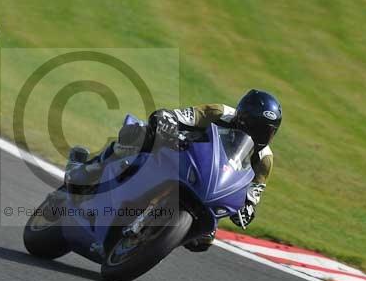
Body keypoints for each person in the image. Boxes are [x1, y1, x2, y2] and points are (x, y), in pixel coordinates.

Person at [63, 90, 282, 252]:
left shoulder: (265, 160)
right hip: (182, 153)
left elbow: (253, 194)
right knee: (138, 133)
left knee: (203, 239)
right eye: (256, 127)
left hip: (209, 185)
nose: (260, 135)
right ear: (241, 117)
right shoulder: (219, 113)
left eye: (268, 132)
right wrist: (167, 121)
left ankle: (150, 243)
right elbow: (181, 116)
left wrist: (246, 208)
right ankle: (88, 170)